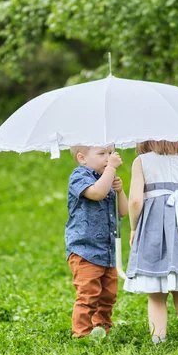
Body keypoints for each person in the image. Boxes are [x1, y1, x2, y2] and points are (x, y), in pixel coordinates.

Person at [124, 140, 178, 343]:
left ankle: (159, 339)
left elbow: (136, 201)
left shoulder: (142, 162)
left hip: (153, 231)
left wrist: (133, 227)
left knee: (156, 292)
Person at [65, 145, 128, 338]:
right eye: (102, 154)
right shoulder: (79, 176)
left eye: (110, 153)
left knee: (108, 295)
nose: (108, 158)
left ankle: (102, 328)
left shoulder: (106, 179)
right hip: (85, 250)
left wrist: (120, 191)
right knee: (88, 294)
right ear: (82, 158)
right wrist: (111, 170)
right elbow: (96, 193)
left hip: (107, 251)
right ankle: (82, 334)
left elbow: (123, 212)